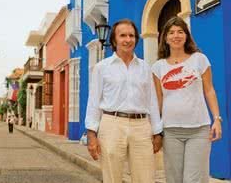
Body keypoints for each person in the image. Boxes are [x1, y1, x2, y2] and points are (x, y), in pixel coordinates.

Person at [85, 19, 163, 183]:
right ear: (114, 40)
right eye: (123, 35)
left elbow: (152, 102)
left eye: (131, 35)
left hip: (141, 126)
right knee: (112, 178)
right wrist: (91, 134)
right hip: (111, 124)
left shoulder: (145, 68)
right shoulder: (102, 67)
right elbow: (93, 101)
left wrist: (157, 132)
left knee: (146, 178)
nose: (128, 39)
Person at [151, 16, 222, 183]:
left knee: (194, 179)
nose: (176, 35)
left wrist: (217, 119)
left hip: (198, 129)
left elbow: (209, 90)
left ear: (186, 36)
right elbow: (158, 101)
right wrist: (156, 130)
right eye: (172, 32)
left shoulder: (199, 59)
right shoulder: (158, 67)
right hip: (171, 131)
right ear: (165, 38)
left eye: (180, 31)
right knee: (174, 179)